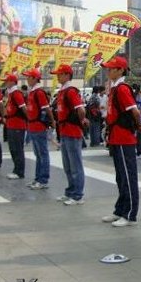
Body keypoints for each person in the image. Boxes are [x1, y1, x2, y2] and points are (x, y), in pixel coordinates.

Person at [101, 56, 141, 227]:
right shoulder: (114, 88)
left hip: (124, 138)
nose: (108, 71)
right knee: (120, 177)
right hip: (116, 137)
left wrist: (138, 127)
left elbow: (135, 112)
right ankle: (120, 210)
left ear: (120, 70)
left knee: (128, 176)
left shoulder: (122, 89)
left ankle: (130, 213)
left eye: (111, 68)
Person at [50, 64, 88, 205]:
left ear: (67, 75)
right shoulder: (62, 91)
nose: (58, 77)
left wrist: (82, 120)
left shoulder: (71, 91)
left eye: (60, 74)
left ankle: (77, 195)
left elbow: (81, 109)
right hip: (64, 131)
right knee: (67, 165)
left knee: (75, 165)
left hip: (72, 131)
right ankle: (70, 191)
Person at [22, 68, 55, 190]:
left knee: (42, 153)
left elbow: (47, 109)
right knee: (38, 154)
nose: (27, 79)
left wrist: (52, 122)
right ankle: (38, 178)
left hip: (39, 127)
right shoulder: (32, 92)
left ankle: (43, 179)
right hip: (33, 126)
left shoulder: (39, 93)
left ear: (35, 78)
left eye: (29, 77)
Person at [2, 74, 27, 180]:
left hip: (17, 125)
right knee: (13, 148)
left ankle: (19, 171)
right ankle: (16, 169)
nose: (6, 83)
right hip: (11, 124)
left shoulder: (16, 94)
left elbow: (24, 108)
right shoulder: (11, 94)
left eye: (7, 81)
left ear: (12, 82)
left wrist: (28, 120)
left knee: (17, 149)